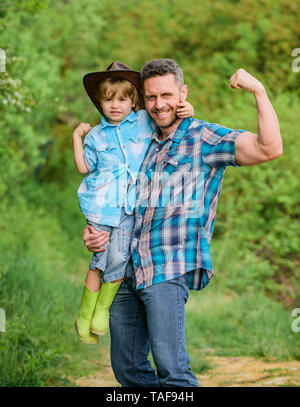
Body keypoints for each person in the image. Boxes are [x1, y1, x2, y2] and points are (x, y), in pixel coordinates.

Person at [83, 59, 282, 386]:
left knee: (172, 371)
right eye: (151, 98)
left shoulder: (203, 138)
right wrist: (93, 231)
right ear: (142, 101)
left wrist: (258, 90)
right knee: (127, 370)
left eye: (167, 95)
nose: (159, 104)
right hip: (124, 269)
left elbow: (269, 147)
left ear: (183, 93)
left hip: (166, 265)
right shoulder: (139, 142)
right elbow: (107, 192)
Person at [72, 62, 194, 345]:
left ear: (133, 101)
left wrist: (189, 110)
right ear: (100, 102)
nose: (116, 106)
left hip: (130, 206)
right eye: (108, 100)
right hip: (100, 206)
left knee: (118, 257)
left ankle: (100, 310)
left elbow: (169, 117)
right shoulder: (96, 136)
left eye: (123, 99)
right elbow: (83, 167)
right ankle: (84, 315)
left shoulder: (142, 121)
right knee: (98, 259)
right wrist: (76, 137)